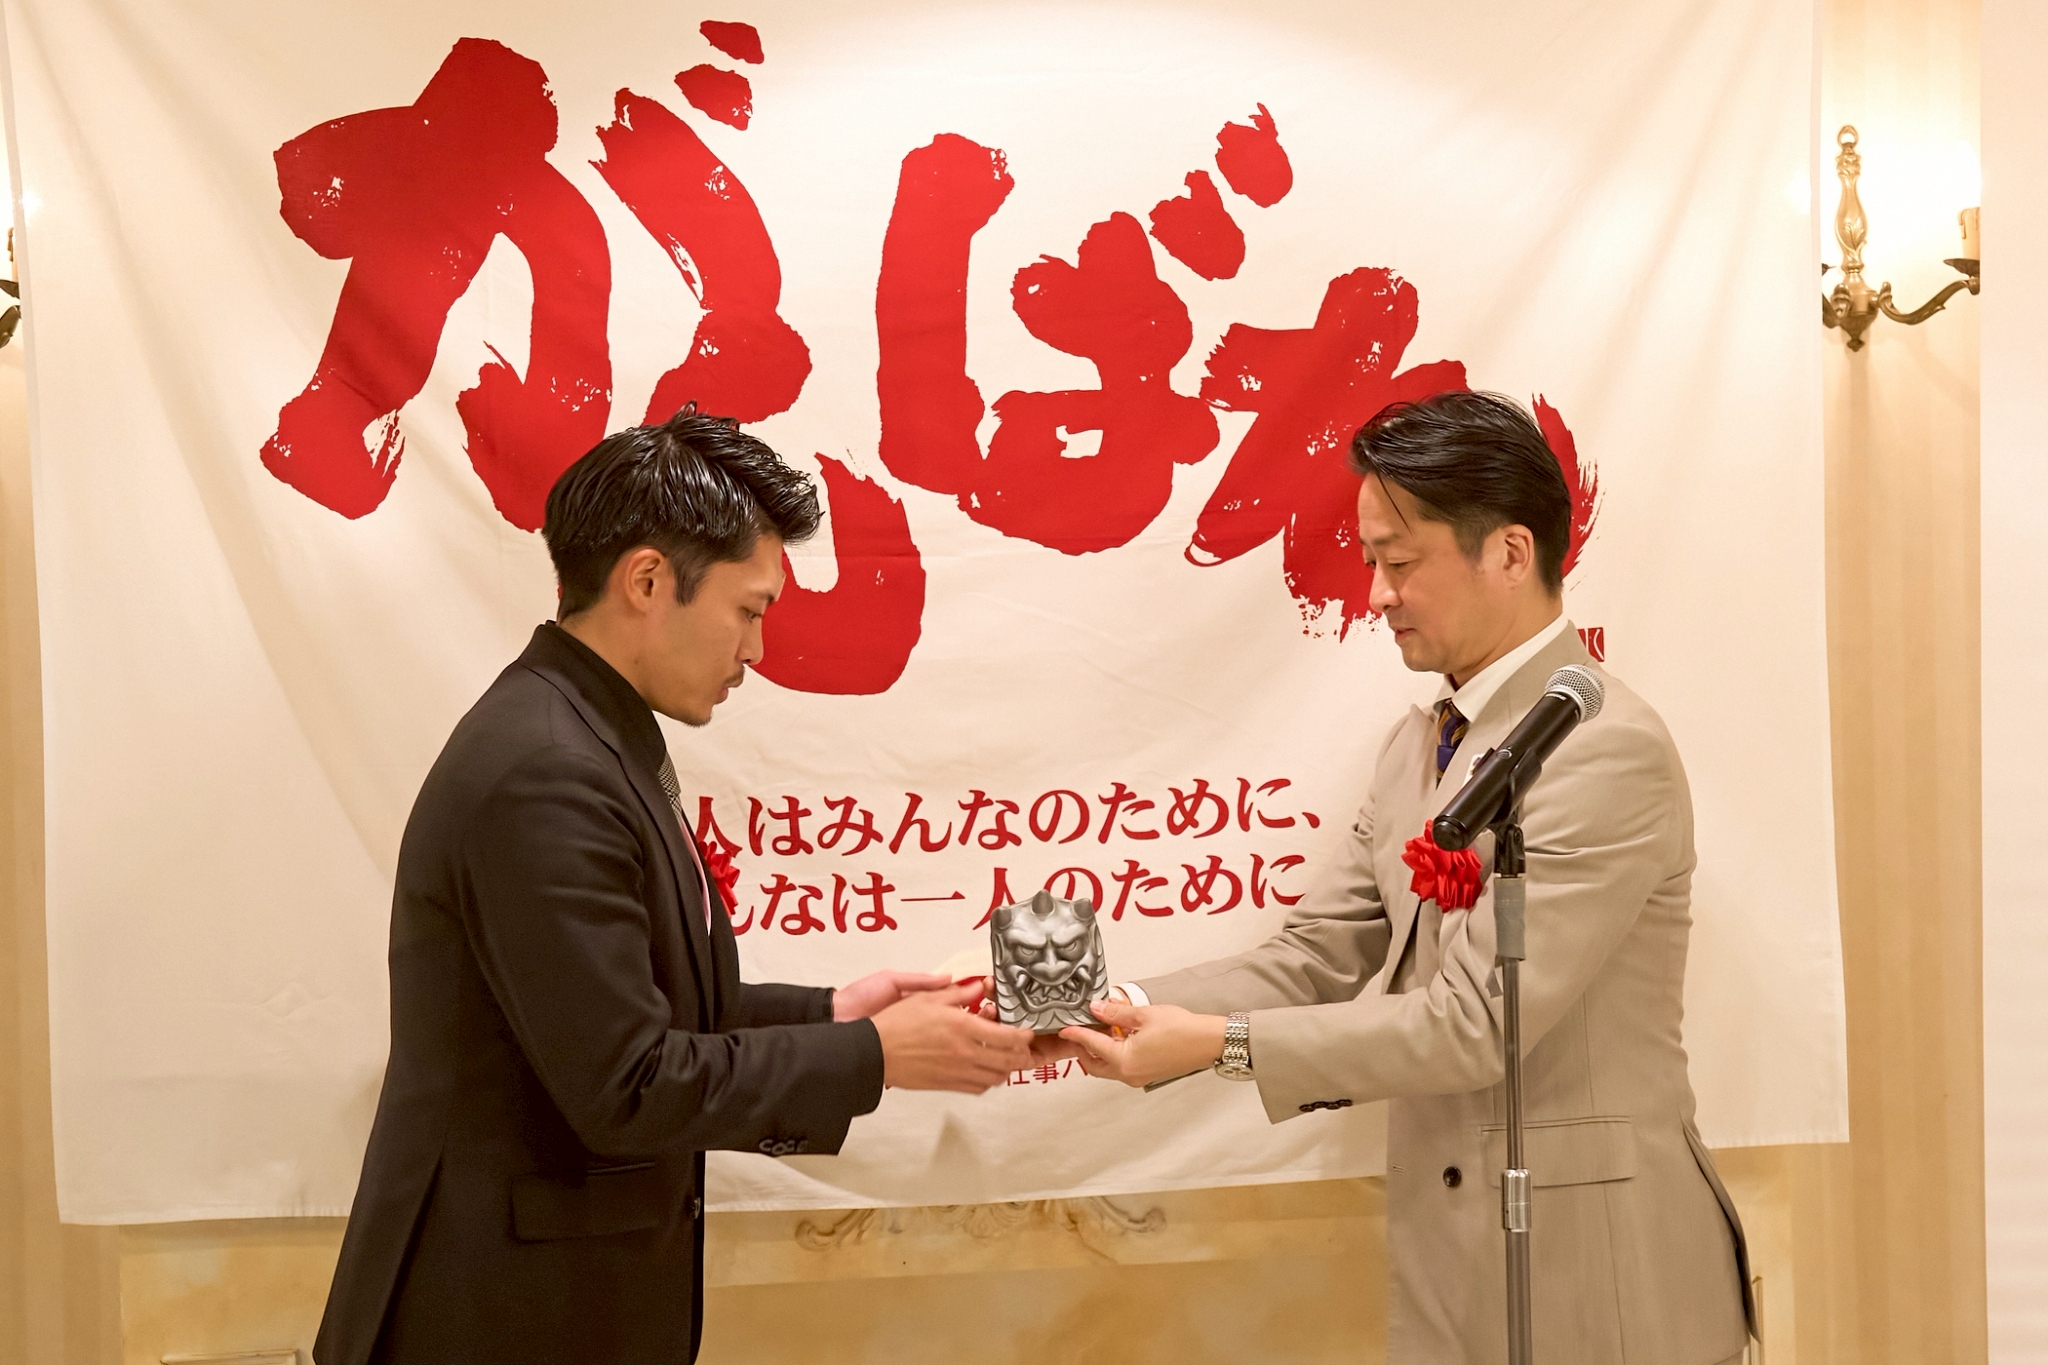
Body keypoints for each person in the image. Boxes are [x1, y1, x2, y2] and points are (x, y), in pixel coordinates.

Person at [314, 405, 1033, 1365]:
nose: (757, 651)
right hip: (495, 1315)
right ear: (647, 580)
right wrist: (872, 1055)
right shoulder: (547, 768)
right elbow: (627, 1082)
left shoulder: (582, 732)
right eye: (750, 610)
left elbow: (636, 1009)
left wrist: (833, 1011)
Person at [1045, 392, 1753, 1365]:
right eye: (1372, 562)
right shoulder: (1416, 748)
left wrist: (1221, 1045)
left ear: (1510, 553)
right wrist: (1107, 1004)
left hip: (1601, 1270)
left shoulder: (1603, 751)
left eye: (1400, 562)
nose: (1376, 594)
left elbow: (1472, 1026)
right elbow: (1315, 955)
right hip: (1451, 1256)